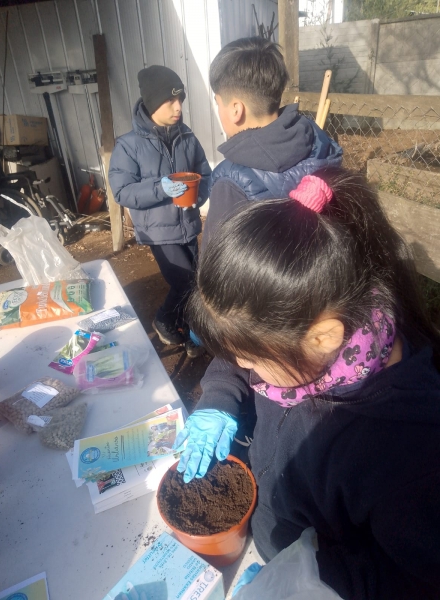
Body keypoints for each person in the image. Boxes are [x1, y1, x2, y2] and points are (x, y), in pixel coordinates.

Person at [174, 168, 440, 599]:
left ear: (323, 337)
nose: (240, 363)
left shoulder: (405, 449)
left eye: (252, 355)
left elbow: (415, 580)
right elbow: (240, 354)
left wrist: (308, 577)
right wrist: (220, 398)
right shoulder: (304, 336)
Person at [202, 36, 342, 250]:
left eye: (218, 102)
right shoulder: (321, 143)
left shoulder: (230, 184)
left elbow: (215, 270)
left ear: (236, 110)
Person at [109, 65, 211, 357]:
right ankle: (177, 327)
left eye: (181, 100)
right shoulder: (128, 146)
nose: (178, 108)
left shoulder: (187, 137)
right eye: (170, 101)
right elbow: (122, 191)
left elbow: (204, 173)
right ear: (153, 103)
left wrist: (199, 194)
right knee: (187, 283)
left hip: (188, 224)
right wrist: (160, 187)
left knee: (193, 281)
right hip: (158, 230)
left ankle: (174, 322)